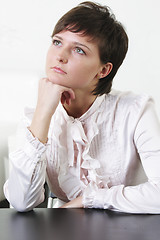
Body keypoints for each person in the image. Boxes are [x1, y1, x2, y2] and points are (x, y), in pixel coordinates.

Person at [3, 1, 160, 213]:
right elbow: (21, 203)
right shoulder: (37, 115)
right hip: (63, 228)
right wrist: (42, 114)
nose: (60, 55)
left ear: (103, 70)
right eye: (57, 42)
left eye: (78, 49)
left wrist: (91, 198)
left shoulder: (136, 110)